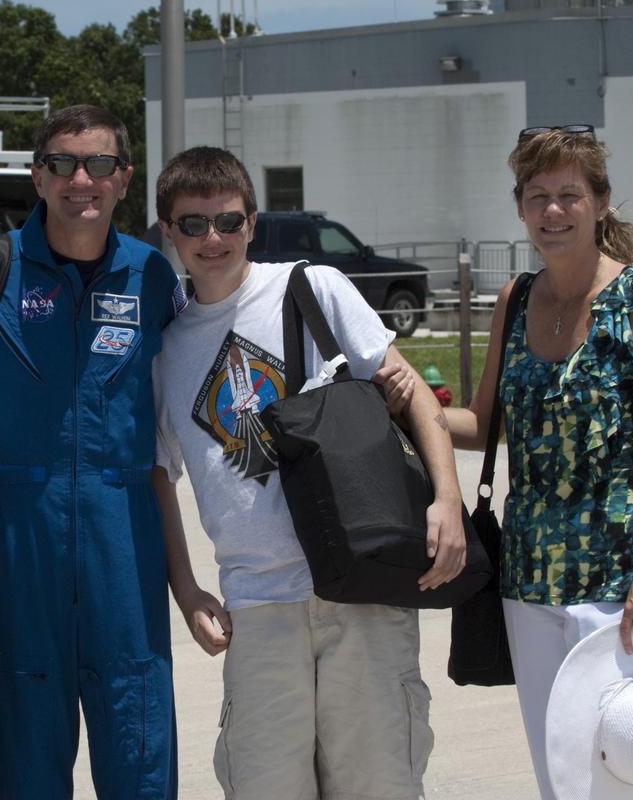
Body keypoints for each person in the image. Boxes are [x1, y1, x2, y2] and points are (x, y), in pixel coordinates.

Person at [151, 146, 465, 800]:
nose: (213, 238)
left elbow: (407, 391)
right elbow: (159, 473)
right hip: (257, 607)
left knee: (379, 783)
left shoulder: (311, 288)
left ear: (253, 222)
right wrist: (185, 588)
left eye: (228, 221)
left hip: (363, 585)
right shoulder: (166, 347)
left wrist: (447, 501)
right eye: (193, 224)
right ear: (167, 231)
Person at [0, 105, 186, 799]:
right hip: (13, 542)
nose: (81, 180)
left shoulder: (153, 278)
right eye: (63, 163)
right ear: (38, 175)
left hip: (123, 542)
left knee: (139, 739)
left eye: (99, 165)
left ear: (124, 179)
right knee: (22, 759)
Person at [444, 125, 633, 800]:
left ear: (601, 203)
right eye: (537, 196)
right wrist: (405, 404)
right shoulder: (515, 300)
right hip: (529, 582)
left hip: (621, 584)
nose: (553, 212)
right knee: (561, 772)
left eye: (569, 195)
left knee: (631, 770)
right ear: (521, 207)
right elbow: (483, 421)